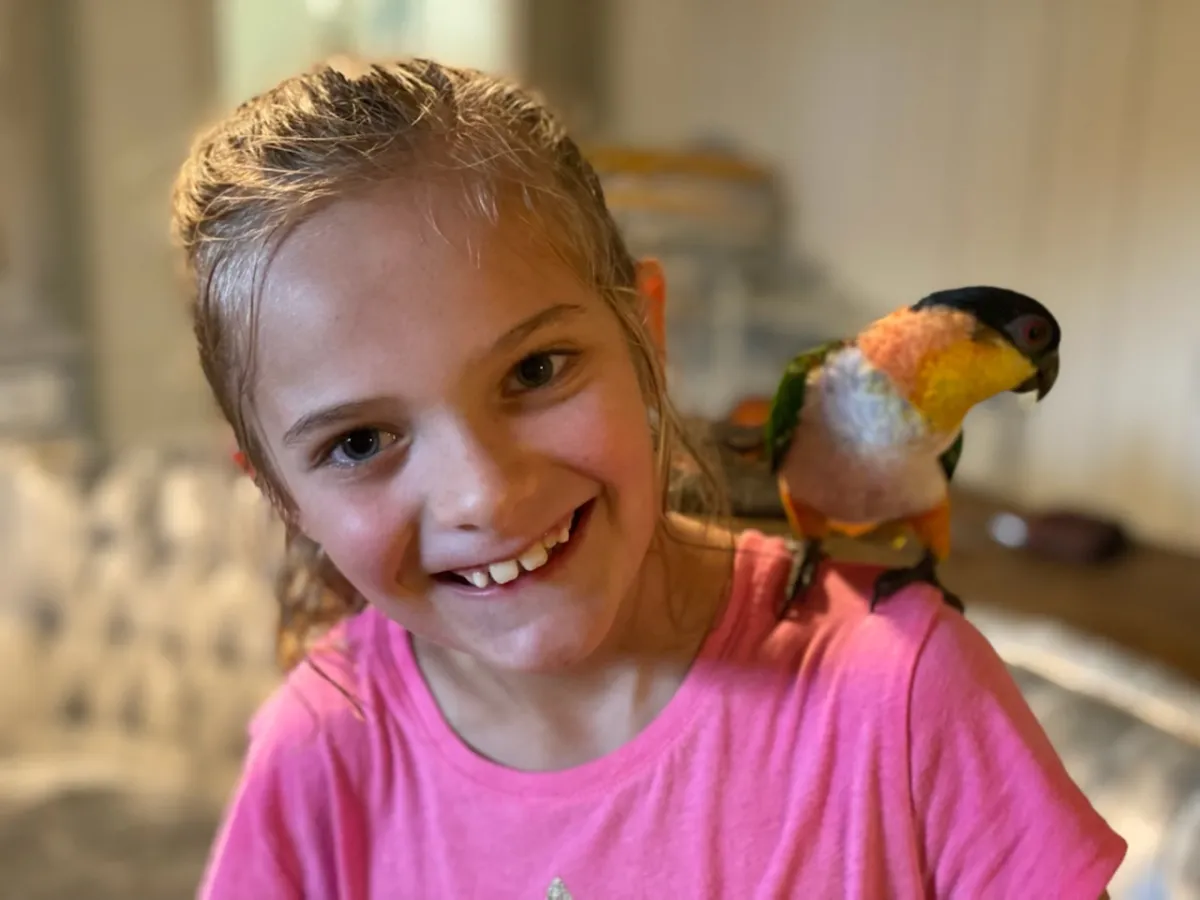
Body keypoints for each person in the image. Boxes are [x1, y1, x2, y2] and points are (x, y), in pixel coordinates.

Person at [173, 57, 1126, 899]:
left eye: (535, 371)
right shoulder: (318, 758)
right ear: (277, 493)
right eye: (358, 442)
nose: (484, 496)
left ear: (648, 339)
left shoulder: (904, 698)